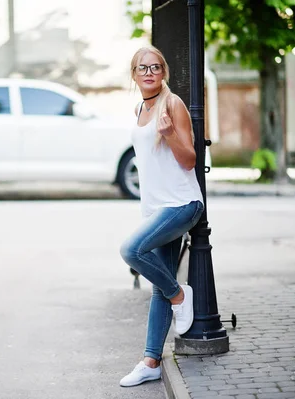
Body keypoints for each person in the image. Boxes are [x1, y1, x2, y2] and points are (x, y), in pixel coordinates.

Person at [118, 46, 205, 387]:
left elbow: (188, 160)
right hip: (157, 207)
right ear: (135, 75)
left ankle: (179, 295)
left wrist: (169, 133)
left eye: (155, 67)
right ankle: (151, 360)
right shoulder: (140, 107)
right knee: (158, 285)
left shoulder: (173, 104)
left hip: (182, 205)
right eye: (143, 68)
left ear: (164, 71)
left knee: (131, 250)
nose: (149, 72)